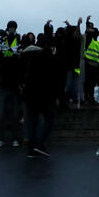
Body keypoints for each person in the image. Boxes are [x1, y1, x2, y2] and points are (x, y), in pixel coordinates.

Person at [23, 26, 60, 158]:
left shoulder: (32, 56)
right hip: (45, 95)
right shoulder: (50, 58)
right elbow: (55, 79)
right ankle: (39, 144)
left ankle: (32, 148)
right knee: (49, 119)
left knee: (32, 121)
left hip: (30, 94)